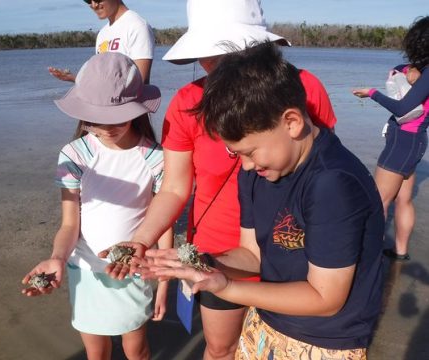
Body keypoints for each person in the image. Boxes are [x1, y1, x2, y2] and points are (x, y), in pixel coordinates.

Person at [100, 1, 337, 359]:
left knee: (286, 349)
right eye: (205, 54)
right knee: (221, 348)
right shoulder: (186, 103)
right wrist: (142, 240)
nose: (210, 63)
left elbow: (326, 174)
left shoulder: (304, 89)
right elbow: (176, 187)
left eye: (221, 53)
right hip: (218, 253)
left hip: (291, 249)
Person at [137, 42, 385, 360]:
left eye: (250, 153)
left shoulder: (333, 184)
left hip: (324, 342)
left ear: (292, 122)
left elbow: (326, 298)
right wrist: (202, 264)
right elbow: (252, 255)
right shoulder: (257, 172)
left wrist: (225, 287)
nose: (246, 166)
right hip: (265, 323)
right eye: (237, 154)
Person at [22, 52, 172, 360]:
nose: (105, 127)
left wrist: (164, 278)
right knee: (96, 353)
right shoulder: (74, 155)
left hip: (135, 269)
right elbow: (69, 225)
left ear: (136, 108)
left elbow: (164, 221)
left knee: (137, 350)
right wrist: (57, 259)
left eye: (115, 117)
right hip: (86, 270)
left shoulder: (155, 157)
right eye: (94, 119)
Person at [352, 15, 429, 261]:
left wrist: (372, 93)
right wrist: (402, 71)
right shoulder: (423, 71)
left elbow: (402, 108)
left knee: (379, 201)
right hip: (416, 141)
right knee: (404, 199)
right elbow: (413, 83)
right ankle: (400, 252)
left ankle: (368, 258)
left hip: (402, 141)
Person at [49, 0, 154, 83]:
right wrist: (75, 78)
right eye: (88, 0)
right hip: (105, 107)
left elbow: (140, 82)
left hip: (130, 108)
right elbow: (102, 79)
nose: (94, 5)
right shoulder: (102, 33)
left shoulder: (137, 26)